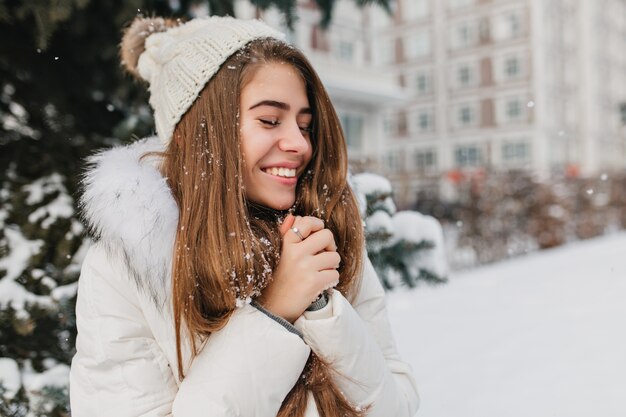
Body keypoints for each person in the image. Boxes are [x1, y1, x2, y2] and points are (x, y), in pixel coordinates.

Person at [69, 15, 419, 417]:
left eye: (305, 126)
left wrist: (323, 310)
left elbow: (394, 405)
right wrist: (274, 312)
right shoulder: (128, 268)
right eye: (270, 120)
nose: (298, 144)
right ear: (203, 131)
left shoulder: (325, 237)